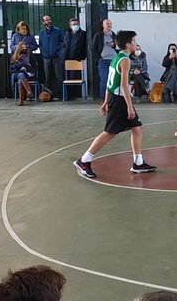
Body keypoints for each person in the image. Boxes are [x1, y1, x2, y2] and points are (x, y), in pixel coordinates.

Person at [74, 30, 156, 178]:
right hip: (119, 100)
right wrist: (129, 106)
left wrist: (106, 100)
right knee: (109, 132)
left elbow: (110, 82)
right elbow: (124, 85)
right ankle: (84, 161)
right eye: (134, 41)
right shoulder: (125, 60)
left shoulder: (116, 58)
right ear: (128, 44)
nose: (136, 44)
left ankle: (138, 163)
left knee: (137, 128)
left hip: (114, 97)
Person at [38, 14, 65, 100]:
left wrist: (58, 51)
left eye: (49, 19)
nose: (48, 21)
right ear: (43, 22)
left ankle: (61, 95)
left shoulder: (58, 31)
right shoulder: (42, 33)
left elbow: (63, 42)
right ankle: (48, 96)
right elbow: (40, 45)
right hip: (46, 58)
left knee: (59, 77)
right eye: (46, 20)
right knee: (47, 77)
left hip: (56, 57)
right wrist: (43, 53)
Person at [92, 19, 117, 100]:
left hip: (114, 60)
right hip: (103, 61)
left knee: (114, 80)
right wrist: (99, 59)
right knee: (105, 79)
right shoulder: (98, 35)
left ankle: (113, 98)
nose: (109, 25)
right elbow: (93, 48)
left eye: (110, 23)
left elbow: (120, 47)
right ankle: (104, 99)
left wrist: (114, 45)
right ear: (103, 25)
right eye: (107, 23)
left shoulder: (114, 35)